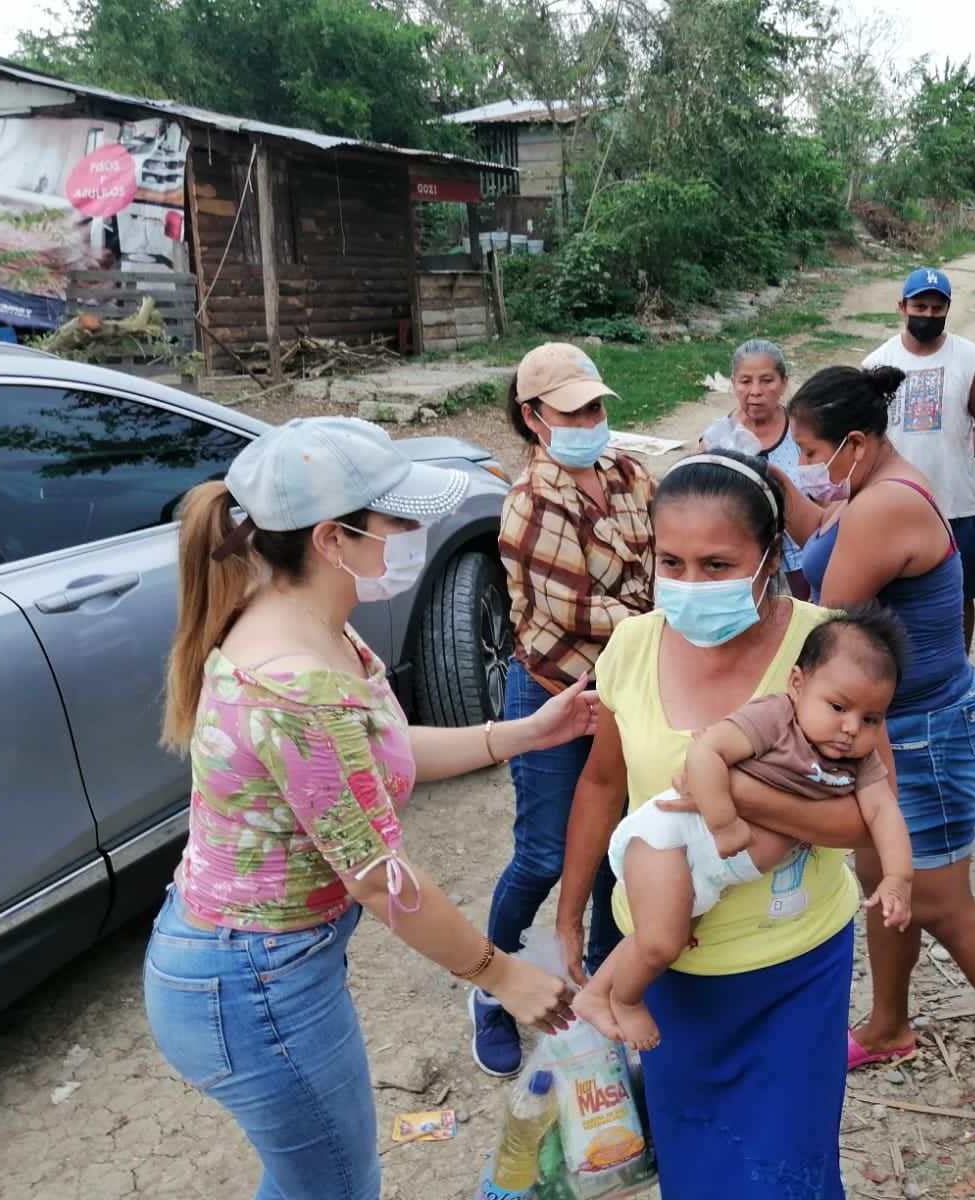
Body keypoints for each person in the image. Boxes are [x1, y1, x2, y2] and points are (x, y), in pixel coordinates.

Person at [146, 417, 580, 1200]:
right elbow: (382, 882)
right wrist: (500, 973)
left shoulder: (307, 623)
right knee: (336, 1186)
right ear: (330, 539)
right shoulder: (297, 683)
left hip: (257, 968)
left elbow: (378, 748)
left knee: (313, 1181)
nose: (416, 534)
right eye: (399, 520)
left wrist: (521, 733)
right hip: (251, 984)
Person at [554, 450, 874, 1196]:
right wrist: (570, 912)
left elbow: (865, 816)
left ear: (770, 557)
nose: (690, 586)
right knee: (698, 1165)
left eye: (717, 564)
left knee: (783, 1172)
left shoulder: (828, 652)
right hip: (667, 972)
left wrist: (738, 795)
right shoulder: (632, 645)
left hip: (790, 967)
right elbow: (602, 782)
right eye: (673, 562)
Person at [784, 366, 975, 1147]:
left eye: (809, 450)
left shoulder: (883, 506)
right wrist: (777, 492)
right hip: (893, 727)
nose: (806, 463)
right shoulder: (870, 488)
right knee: (882, 883)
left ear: (852, 442)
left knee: (940, 901)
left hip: (928, 732)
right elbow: (818, 536)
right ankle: (886, 1025)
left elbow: (821, 619)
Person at [574, 606, 915, 1051]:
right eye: (837, 707)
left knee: (662, 936)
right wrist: (724, 821)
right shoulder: (775, 718)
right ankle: (627, 999)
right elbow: (704, 755)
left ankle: (596, 992)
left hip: (710, 874)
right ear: (797, 686)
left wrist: (898, 877)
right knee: (660, 944)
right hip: (671, 840)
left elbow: (884, 813)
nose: (852, 728)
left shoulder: (859, 760)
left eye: (872, 719)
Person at [474, 342, 655, 1076]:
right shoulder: (528, 502)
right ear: (534, 418)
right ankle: (491, 988)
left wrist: (664, 592)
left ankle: (599, 984)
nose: (591, 419)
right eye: (573, 409)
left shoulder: (631, 473)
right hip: (555, 693)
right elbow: (582, 610)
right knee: (545, 851)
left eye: (596, 406)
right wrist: (674, 603)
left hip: (625, 690)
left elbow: (663, 552)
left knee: (615, 848)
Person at [863, 267, 975, 647]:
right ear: (902, 306)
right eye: (920, 306)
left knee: (960, 593)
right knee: (893, 592)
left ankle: (958, 663)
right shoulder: (877, 362)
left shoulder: (970, 358)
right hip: (894, 503)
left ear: (948, 309)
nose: (928, 315)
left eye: (938, 309)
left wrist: (955, 455)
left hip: (955, 499)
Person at [703, 338, 814, 599]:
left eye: (767, 380)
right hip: (740, 568)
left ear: (784, 382)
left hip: (803, 563)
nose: (755, 391)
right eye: (745, 381)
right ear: (733, 384)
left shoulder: (804, 433)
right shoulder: (717, 438)